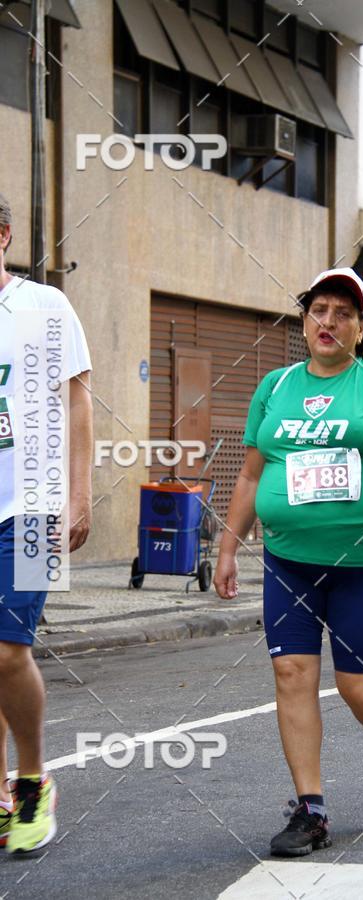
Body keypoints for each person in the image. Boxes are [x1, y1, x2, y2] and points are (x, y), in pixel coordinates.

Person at [214, 267, 363, 857]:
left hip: (361, 559)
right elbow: (252, 472)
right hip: (288, 561)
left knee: (361, 688)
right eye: (318, 311)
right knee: (292, 675)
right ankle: (310, 810)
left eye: (342, 313)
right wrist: (228, 547)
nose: (328, 322)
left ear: (361, 328)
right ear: (305, 321)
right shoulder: (277, 385)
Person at [0, 194, 93, 853]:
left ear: (3, 235)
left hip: (31, 506)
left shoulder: (44, 306)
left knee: (8, 651)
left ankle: (32, 779)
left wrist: (80, 495)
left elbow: (78, 399)